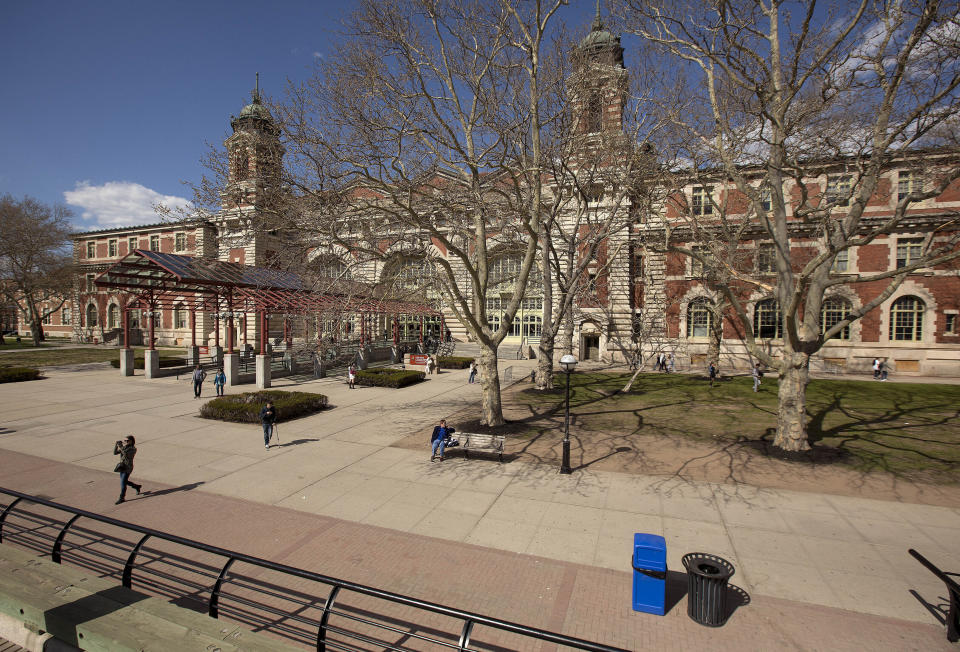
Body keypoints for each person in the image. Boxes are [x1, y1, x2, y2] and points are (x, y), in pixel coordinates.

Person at [113, 435, 142, 504]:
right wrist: (116, 445)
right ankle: (136, 486)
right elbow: (115, 453)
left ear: (132, 441)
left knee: (123, 483)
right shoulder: (124, 447)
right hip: (122, 467)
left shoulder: (133, 449)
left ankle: (122, 498)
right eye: (124, 440)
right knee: (124, 481)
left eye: (127, 440)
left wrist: (120, 446)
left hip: (128, 467)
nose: (125, 442)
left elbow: (125, 453)